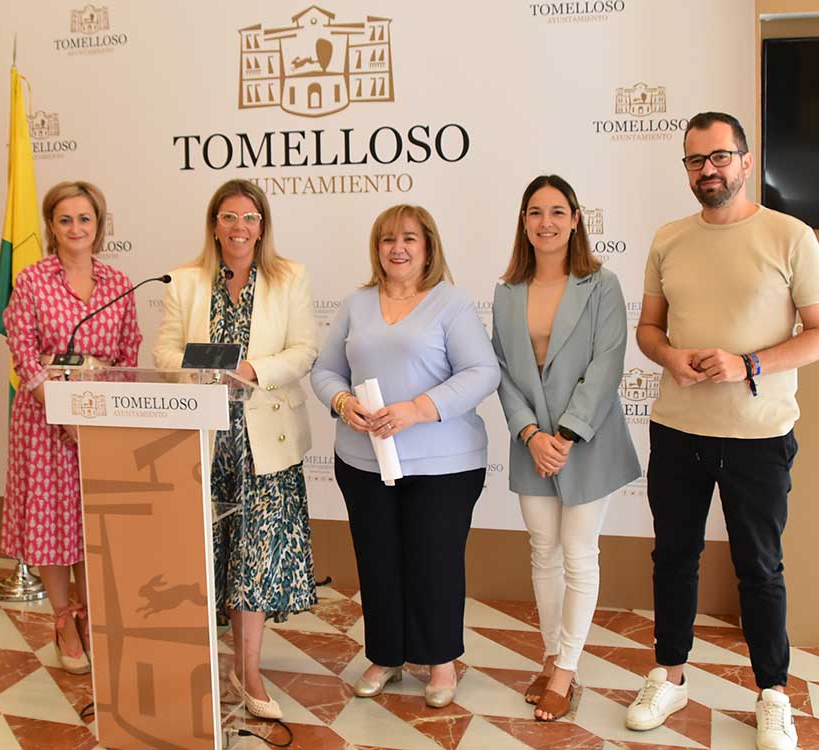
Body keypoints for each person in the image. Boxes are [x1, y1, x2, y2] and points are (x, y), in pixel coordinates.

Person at [625, 112, 819, 750]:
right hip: (679, 429)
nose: (707, 170)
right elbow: (648, 331)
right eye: (695, 161)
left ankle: (772, 691)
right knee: (674, 559)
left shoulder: (790, 235)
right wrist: (670, 358)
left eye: (719, 157)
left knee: (760, 568)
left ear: (745, 160)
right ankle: (670, 673)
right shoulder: (667, 239)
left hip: (760, 435)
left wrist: (748, 363)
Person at [310, 204, 498, 709]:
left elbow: (483, 372)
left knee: (434, 564)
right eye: (388, 239)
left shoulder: (450, 303)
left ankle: (440, 663)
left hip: (443, 465)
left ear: (428, 246)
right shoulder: (356, 302)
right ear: (377, 248)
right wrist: (342, 402)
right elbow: (324, 371)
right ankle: (386, 656)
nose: (398, 248)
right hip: (363, 460)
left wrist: (419, 408)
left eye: (410, 239)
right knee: (378, 562)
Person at [153, 178, 318, 720]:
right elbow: (164, 353)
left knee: (255, 559)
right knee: (207, 558)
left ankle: (247, 669)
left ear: (262, 225)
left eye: (249, 217)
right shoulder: (184, 280)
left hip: (265, 443)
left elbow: (304, 351)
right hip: (202, 441)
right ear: (214, 225)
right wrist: (197, 372)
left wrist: (254, 370)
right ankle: (206, 660)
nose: (239, 228)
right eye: (228, 217)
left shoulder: (289, 276)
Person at [490, 175, 640, 721]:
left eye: (557, 211)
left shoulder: (602, 285)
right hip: (532, 444)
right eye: (535, 212)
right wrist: (531, 434)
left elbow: (607, 366)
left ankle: (567, 670)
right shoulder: (506, 293)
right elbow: (503, 372)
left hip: (587, 443)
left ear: (576, 219)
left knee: (579, 554)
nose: (545, 222)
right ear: (523, 222)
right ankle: (551, 654)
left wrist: (567, 435)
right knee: (542, 552)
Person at [2, 180, 142, 674]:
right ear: (51, 227)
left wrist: (96, 404)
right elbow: (24, 354)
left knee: (90, 522)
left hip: (100, 420)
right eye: (65, 220)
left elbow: (127, 356)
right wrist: (62, 410)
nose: (76, 228)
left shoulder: (120, 282)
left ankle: (94, 617)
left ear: (99, 225)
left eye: (85, 219)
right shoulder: (32, 280)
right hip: (44, 423)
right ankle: (64, 621)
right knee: (51, 524)